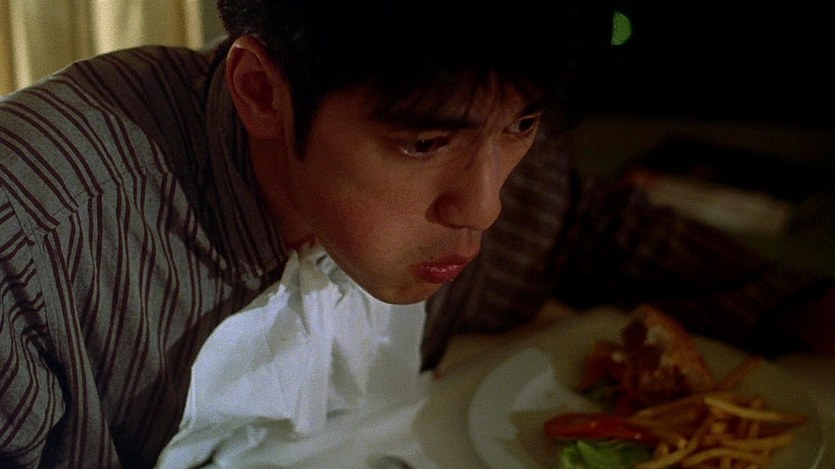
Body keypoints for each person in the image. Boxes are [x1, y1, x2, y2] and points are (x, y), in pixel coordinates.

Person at [0, 0, 832, 467]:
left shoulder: (486, 128)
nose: (483, 207)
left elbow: (592, 226)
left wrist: (797, 304)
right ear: (259, 92)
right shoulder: (34, 240)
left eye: (522, 125)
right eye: (424, 143)